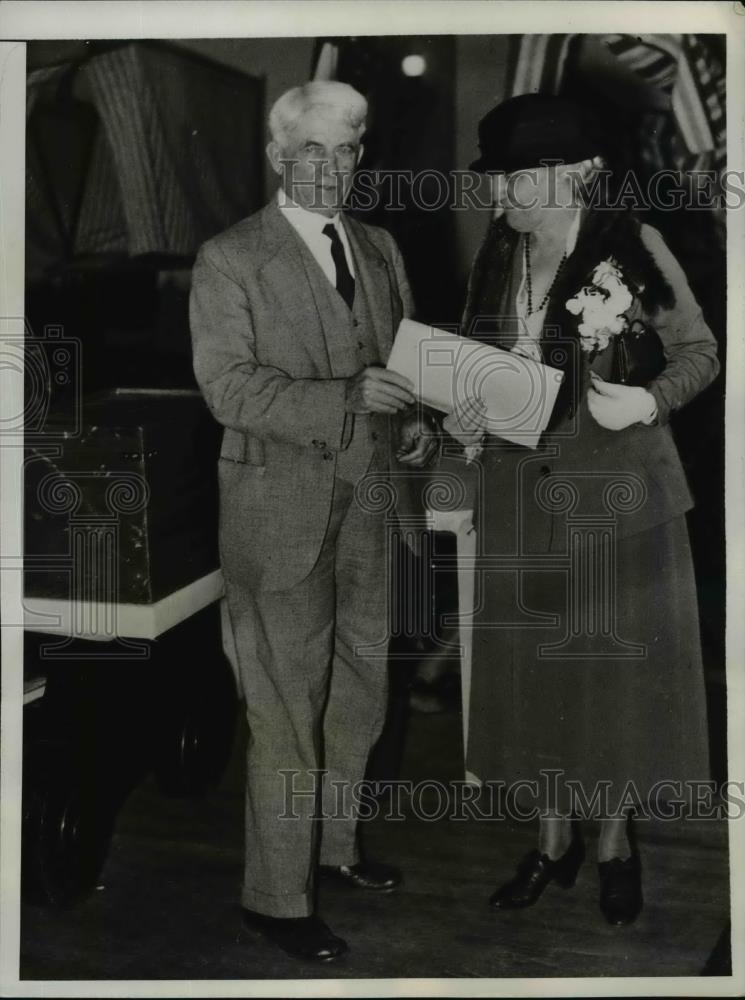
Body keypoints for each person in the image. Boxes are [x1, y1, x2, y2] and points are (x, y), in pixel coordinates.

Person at [445, 93, 719, 925]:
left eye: (518, 180)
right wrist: (460, 413)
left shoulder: (631, 245)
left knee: (608, 683)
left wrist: (645, 403)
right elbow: (478, 362)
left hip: (615, 499)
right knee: (533, 674)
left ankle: (612, 845)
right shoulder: (499, 252)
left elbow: (700, 350)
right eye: (495, 182)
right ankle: (549, 840)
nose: (502, 199)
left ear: (575, 174)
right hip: (517, 494)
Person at [189, 81, 437, 963]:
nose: (331, 169)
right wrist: (343, 399)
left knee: (360, 696)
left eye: (346, 151)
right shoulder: (229, 259)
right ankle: (274, 900)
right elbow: (228, 389)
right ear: (277, 157)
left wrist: (413, 425)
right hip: (276, 515)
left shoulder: (378, 246)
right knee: (286, 711)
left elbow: (402, 372)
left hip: (375, 509)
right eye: (312, 152)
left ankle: (333, 851)